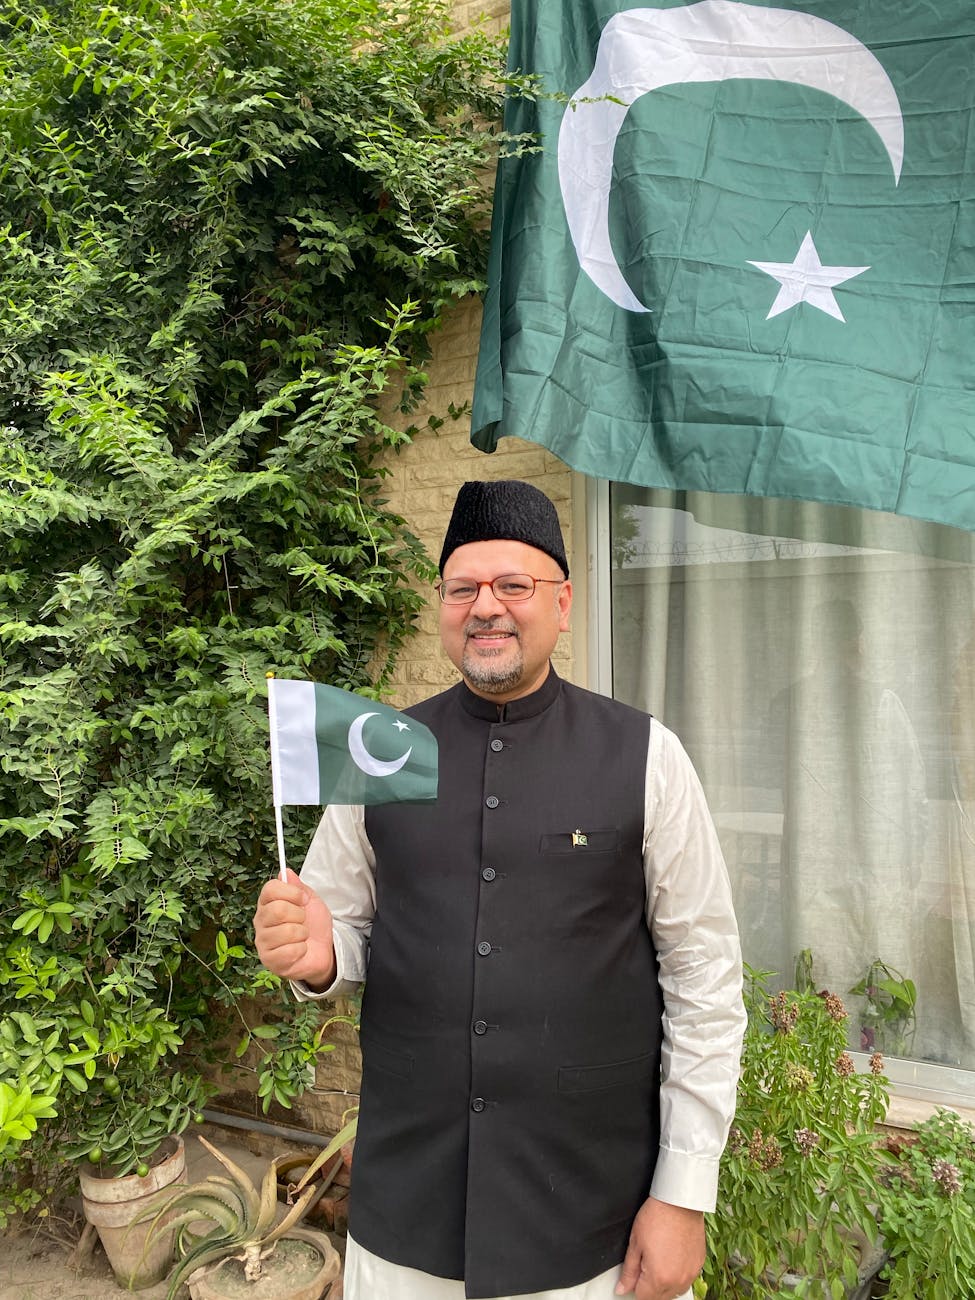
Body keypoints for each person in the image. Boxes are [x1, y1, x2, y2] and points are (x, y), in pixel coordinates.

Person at [254, 480, 745, 1300]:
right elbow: (341, 932)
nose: (485, 606)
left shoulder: (644, 756)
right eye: (462, 588)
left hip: (592, 1214)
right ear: (441, 606)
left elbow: (704, 979)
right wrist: (317, 954)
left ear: (562, 603)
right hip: (407, 1212)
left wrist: (684, 1194)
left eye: (512, 584)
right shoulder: (383, 751)